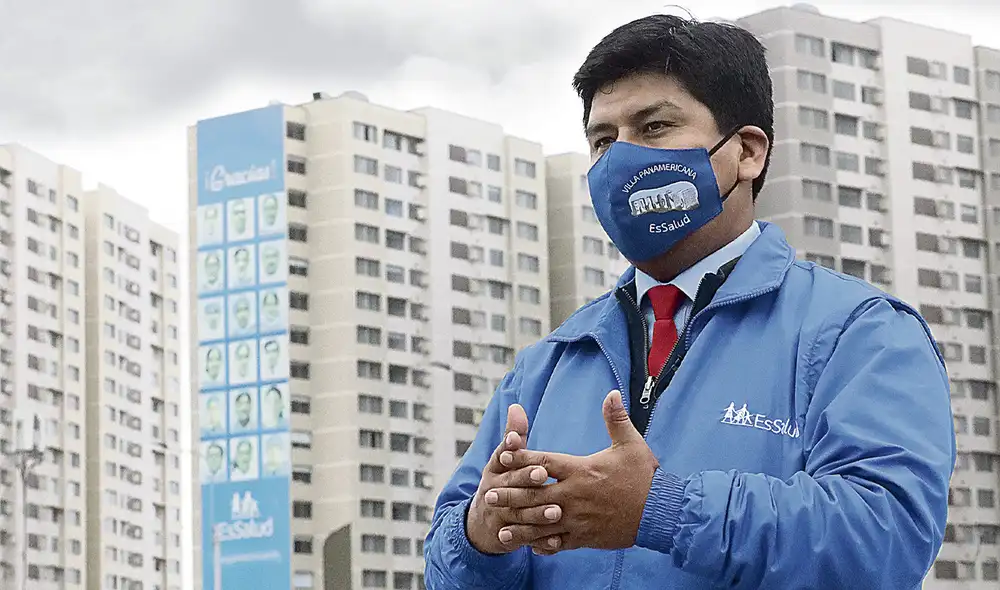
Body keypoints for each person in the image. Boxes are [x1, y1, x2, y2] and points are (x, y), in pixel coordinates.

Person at [424, 15, 955, 590]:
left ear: (747, 152)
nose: (621, 161)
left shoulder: (858, 334)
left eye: (653, 127)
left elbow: (886, 537)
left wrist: (662, 509)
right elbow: (444, 568)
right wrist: (483, 537)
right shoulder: (548, 363)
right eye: (603, 140)